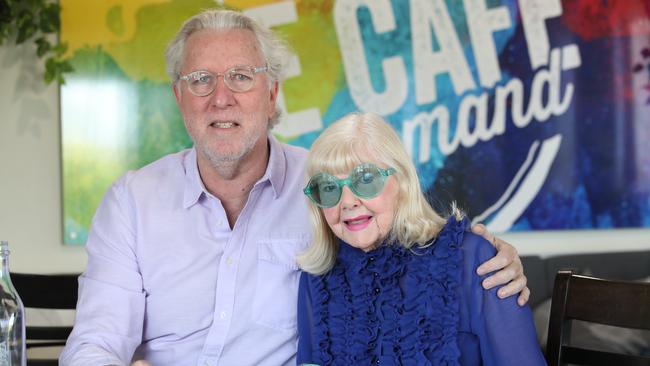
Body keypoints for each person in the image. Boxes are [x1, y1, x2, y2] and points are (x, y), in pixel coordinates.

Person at [60, 9, 530, 366]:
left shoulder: (326, 188)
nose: (220, 96)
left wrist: (484, 255)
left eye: (241, 77)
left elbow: (407, 254)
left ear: (272, 93)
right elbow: (95, 342)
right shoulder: (131, 202)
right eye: (200, 80)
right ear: (178, 96)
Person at [296, 112, 546, 365]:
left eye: (366, 179)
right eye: (328, 188)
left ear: (402, 182)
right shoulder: (318, 278)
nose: (347, 201)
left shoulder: (472, 258)